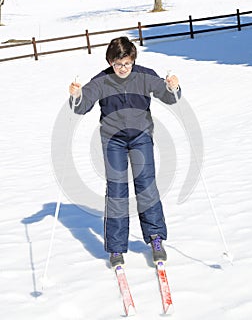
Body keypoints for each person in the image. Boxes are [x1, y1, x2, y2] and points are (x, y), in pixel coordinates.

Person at [69, 36, 181, 268]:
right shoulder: (101, 81)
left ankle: (155, 238)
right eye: (118, 64)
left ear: (133, 61)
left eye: (127, 63)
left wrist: (173, 86)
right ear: (110, 62)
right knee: (117, 191)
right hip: (113, 142)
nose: (123, 68)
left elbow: (171, 98)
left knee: (147, 187)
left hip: (141, 138)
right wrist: (76, 96)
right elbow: (80, 107)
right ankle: (117, 248)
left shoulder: (144, 75)